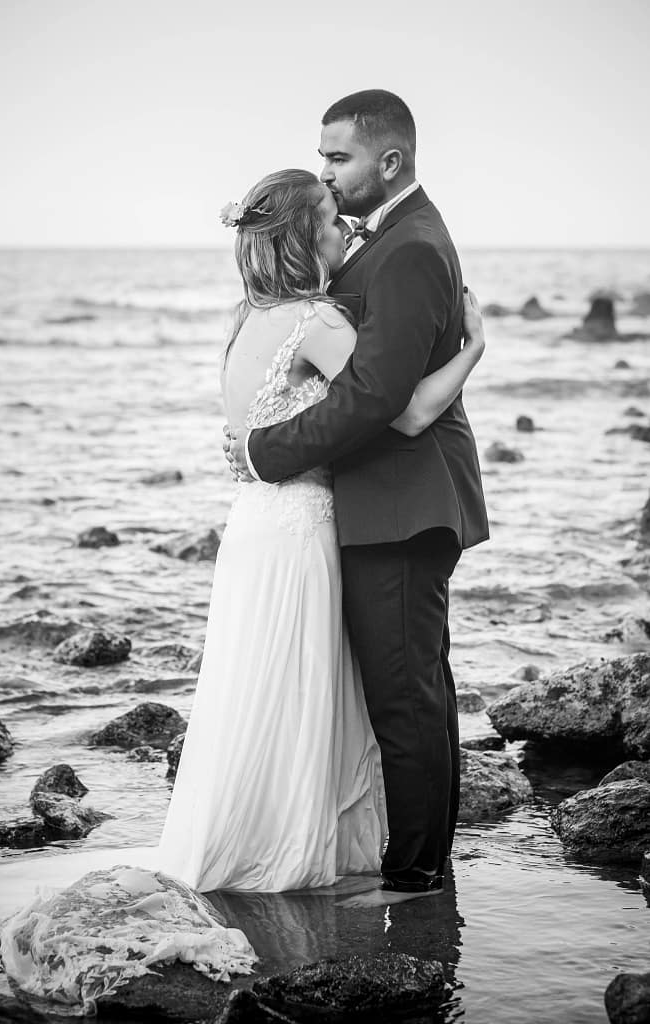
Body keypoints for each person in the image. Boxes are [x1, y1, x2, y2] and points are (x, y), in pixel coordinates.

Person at [158, 162, 486, 894]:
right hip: (301, 526)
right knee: (305, 689)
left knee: (255, 686)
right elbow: (398, 410)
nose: (346, 230)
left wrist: (254, 453)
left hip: (252, 528)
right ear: (308, 235)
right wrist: (472, 347)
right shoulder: (317, 320)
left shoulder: (245, 318)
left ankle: (241, 832)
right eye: (333, 222)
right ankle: (317, 850)